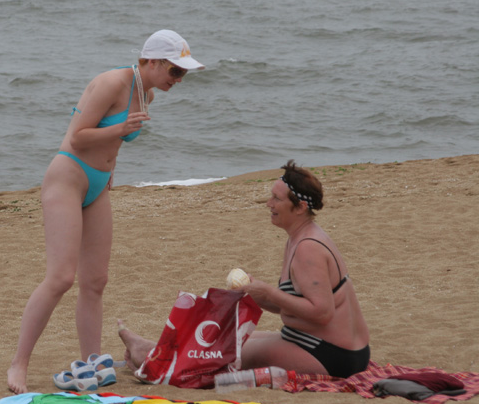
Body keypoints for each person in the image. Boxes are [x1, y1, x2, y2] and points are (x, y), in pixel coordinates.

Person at [7, 30, 205, 393]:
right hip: (67, 177)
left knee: (96, 280)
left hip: (98, 185)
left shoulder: (146, 93)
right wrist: (121, 128)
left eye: (183, 74)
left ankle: (91, 361)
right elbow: (77, 136)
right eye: (175, 72)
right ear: (153, 61)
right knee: (61, 278)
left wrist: (111, 169)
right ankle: (18, 365)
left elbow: (114, 140)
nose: (178, 80)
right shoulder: (112, 82)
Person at [118, 160, 371, 379]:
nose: (268, 203)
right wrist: (258, 296)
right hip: (313, 342)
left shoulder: (308, 248)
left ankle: (148, 354)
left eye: (276, 198)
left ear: (300, 207)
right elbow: (295, 305)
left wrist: (270, 293)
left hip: (333, 355)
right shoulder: (299, 237)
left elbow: (322, 312)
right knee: (228, 340)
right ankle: (154, 349)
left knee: (221, 355)